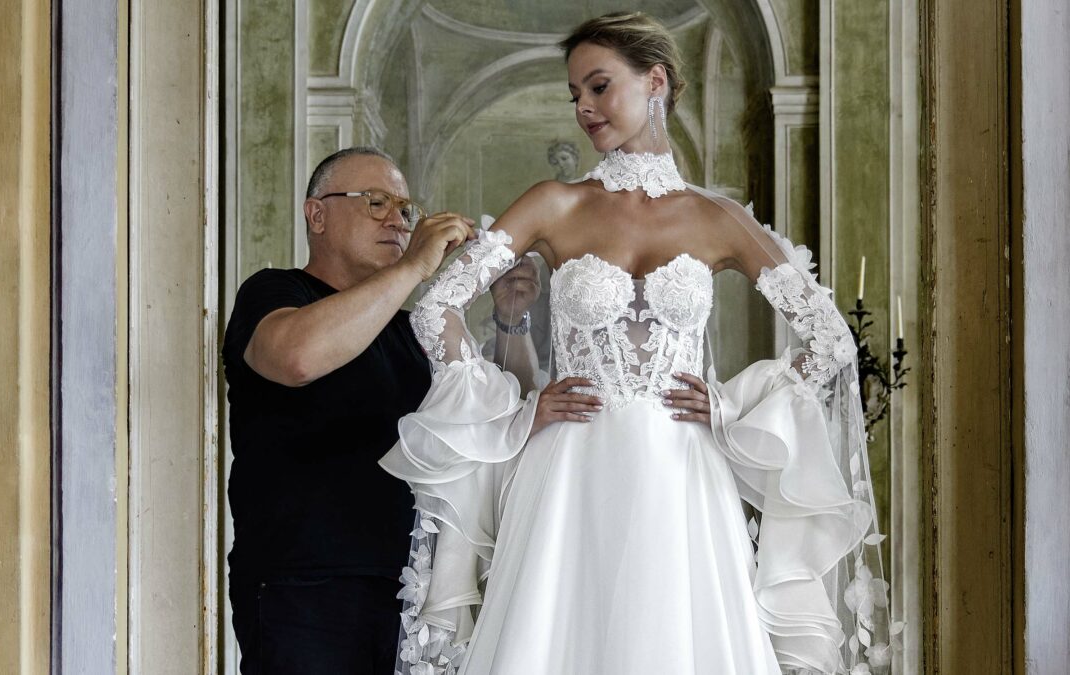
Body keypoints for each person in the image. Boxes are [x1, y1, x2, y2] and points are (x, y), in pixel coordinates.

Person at [381, 12, 895, 675]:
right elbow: (438, 306)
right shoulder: (555, 204)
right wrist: (516, 413)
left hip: (682, 471)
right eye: (575, 95)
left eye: (598, 87)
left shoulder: (717, 218)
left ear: (655, 81)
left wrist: (730, 410)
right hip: (571, 468)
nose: (584, 109)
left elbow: (829, 341)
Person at [221, 147, 538, 674]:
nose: (397, 219)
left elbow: (503, 419)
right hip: (304, 587)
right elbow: (296, 358)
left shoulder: (411, 326)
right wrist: (415, 266)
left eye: (404, 208)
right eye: (375, 202)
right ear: (316, 214)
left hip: (408, 593)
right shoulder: (276, 291)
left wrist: (511, 320)